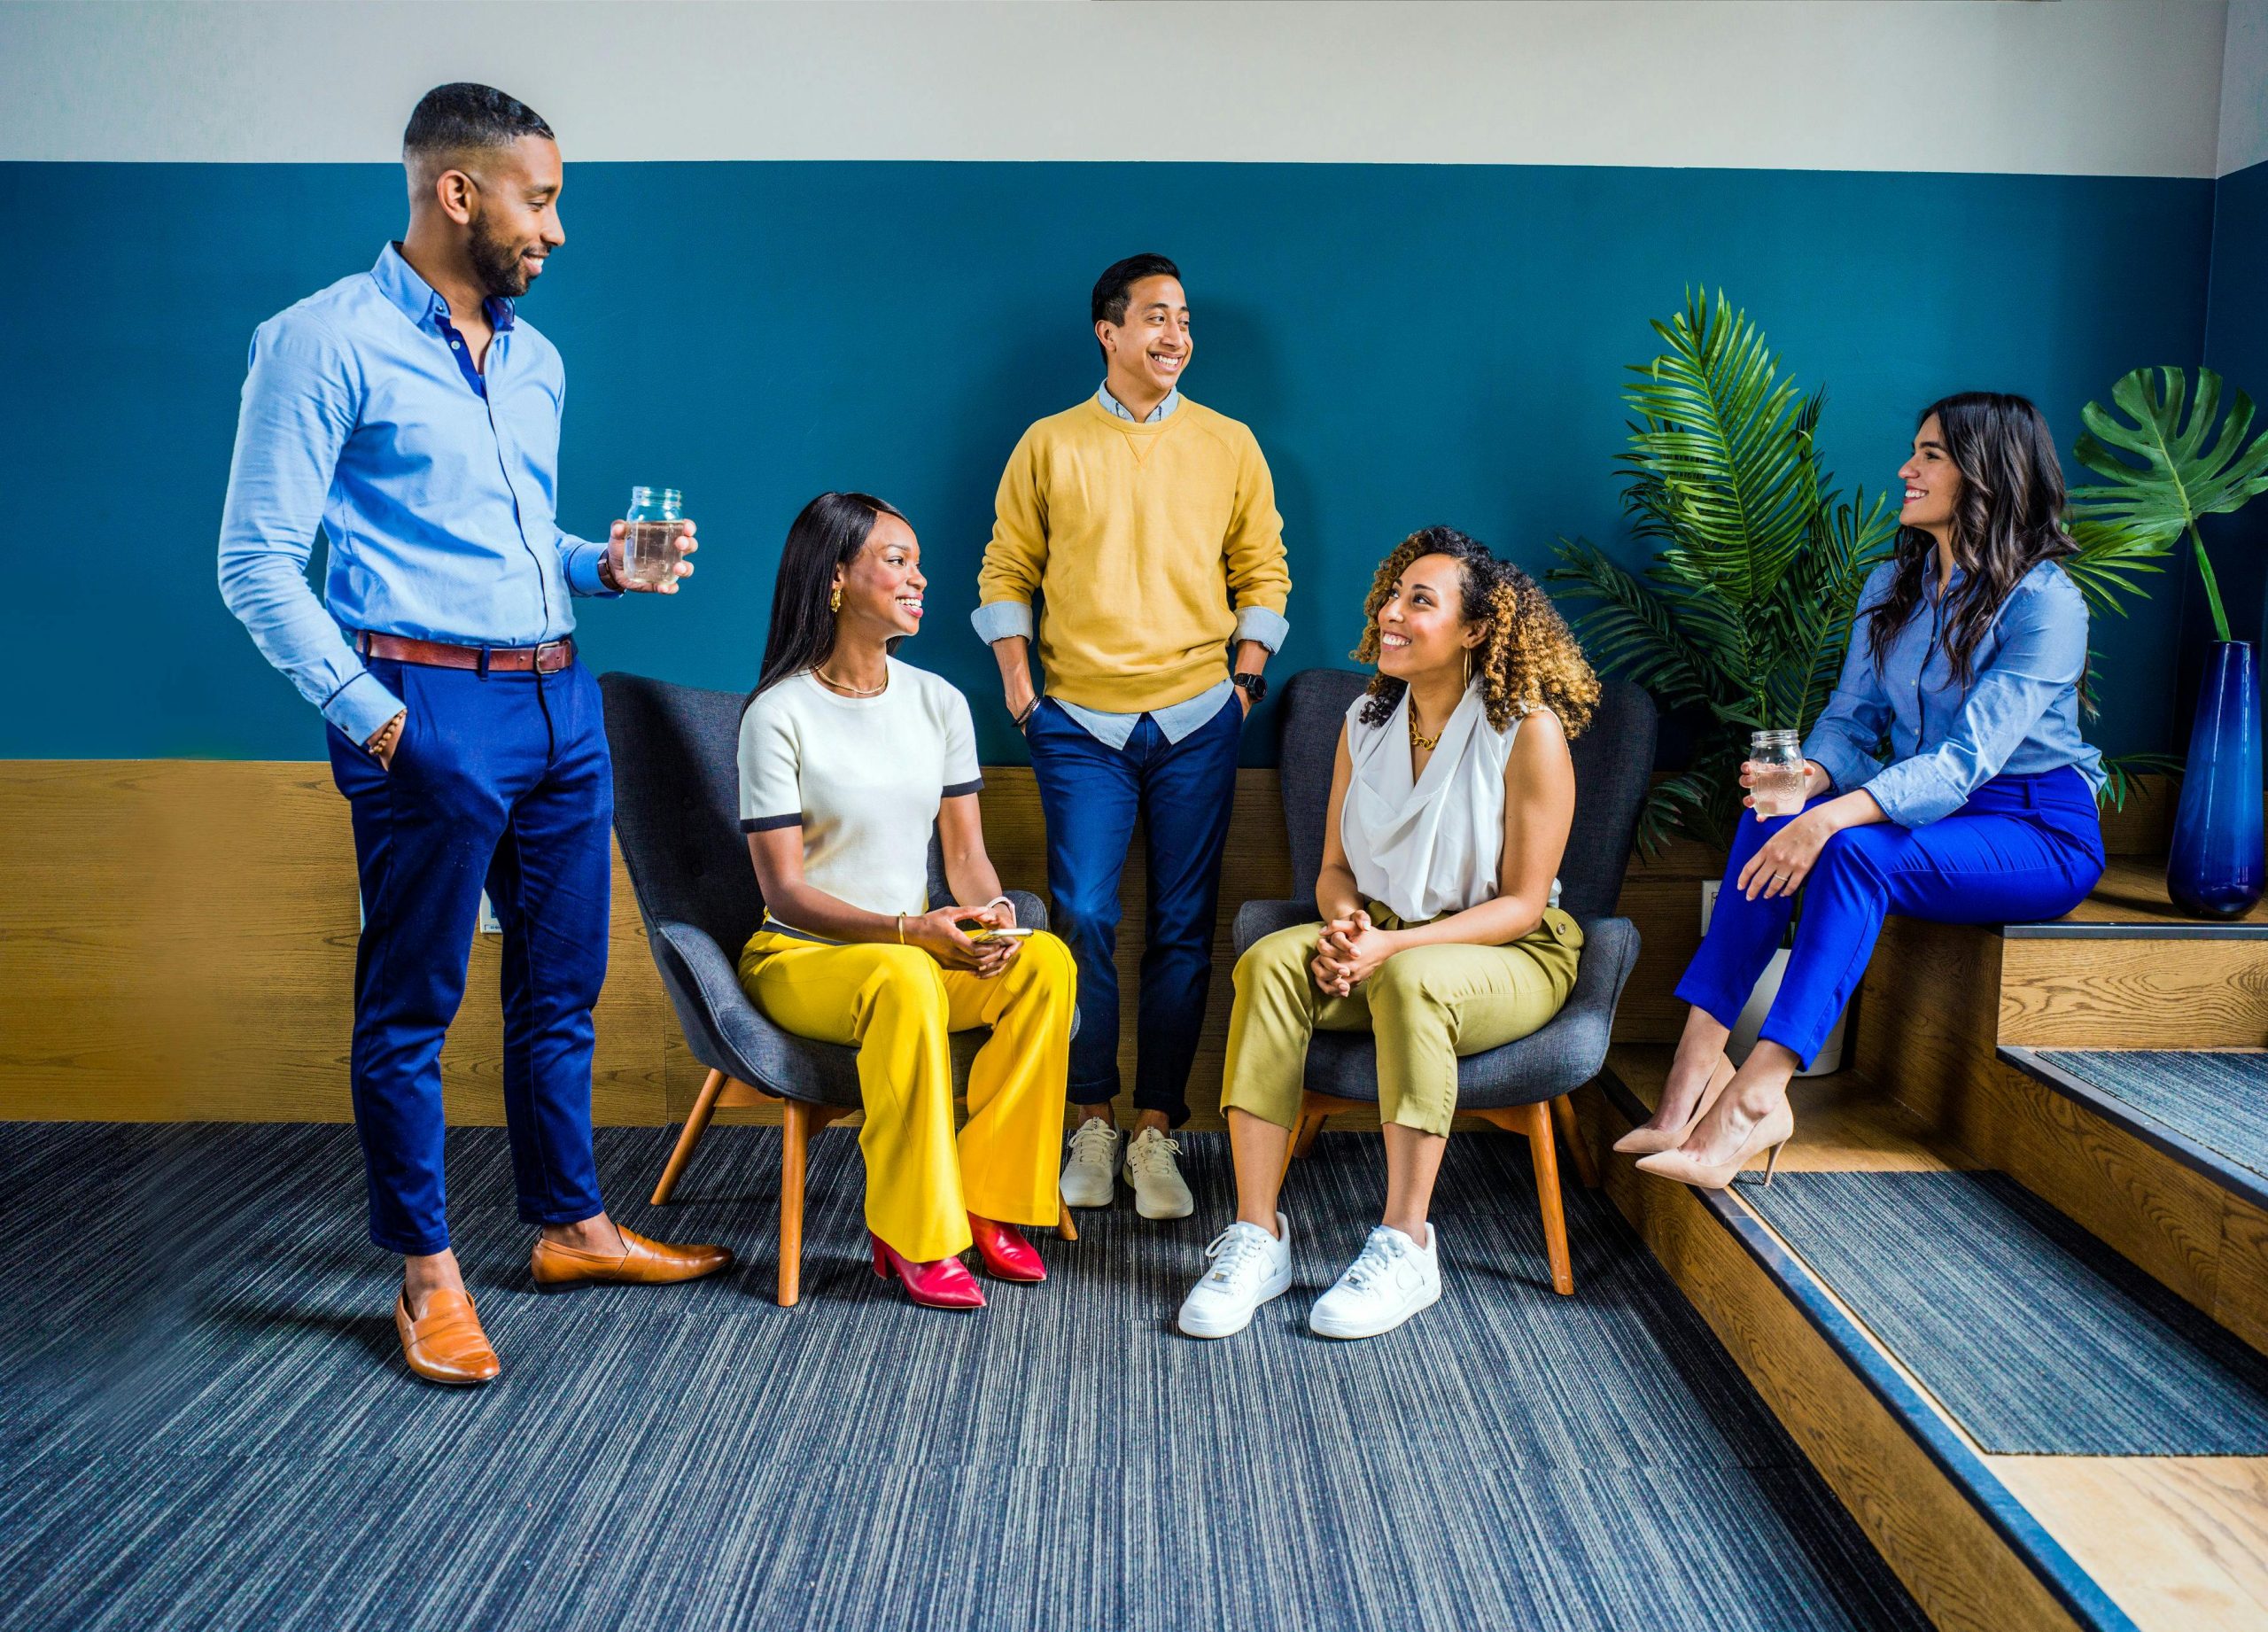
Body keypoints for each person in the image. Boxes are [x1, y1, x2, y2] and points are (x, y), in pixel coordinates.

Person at [216, 83, 731, 1387]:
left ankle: (571, 1225)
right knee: (412, 1005)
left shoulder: (537, 357)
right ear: (459, 192)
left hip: (563, 697)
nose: (555, 229)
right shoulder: (317, 342)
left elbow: (515, 544)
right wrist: (380, 722)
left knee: (559, 988)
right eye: (539, 198)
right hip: (427, 707)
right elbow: (257, 561)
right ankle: (427, 1273)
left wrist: (601, 563)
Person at [1623, 392, 2108, 1188]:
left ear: (1988, 473)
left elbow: (1965, 761)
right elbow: (1851, 720)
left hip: (2033, 827)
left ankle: (1759, 1097)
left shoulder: (2047, 603)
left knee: (1846, 850)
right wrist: (1807, 779)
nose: (1905, 470)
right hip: (1922, 812)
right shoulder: (1892, 584)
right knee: (1774, 811)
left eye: (1930, 456)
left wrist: (1832, 817)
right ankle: (1691, 1077)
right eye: (1914, 452)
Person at [1177, 528, 1597, 1341]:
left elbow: (1519, 902)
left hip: (1507, 950)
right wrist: (1344, 928)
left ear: (1478, 630)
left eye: (1419, 600)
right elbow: (1335, 868)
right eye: (1392, 594)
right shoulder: (1364, 719)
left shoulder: (1528, 730)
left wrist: (1388, 950)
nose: (1390, 612)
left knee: (1412, 980)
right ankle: (1258, 1236)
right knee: (1269, 962)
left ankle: (1406, 1245)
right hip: (1384, 938)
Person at [974, 253, 1292, 1223]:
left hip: (1200, 718)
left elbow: (1263, 568)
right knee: (1079, 917)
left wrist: (1243, 684)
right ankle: (1091, 1117)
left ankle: (1156, 1129)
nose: (1175, 336)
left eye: (1184, 319)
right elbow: (1004, 567)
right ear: (1107, 332)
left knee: (1185, 931)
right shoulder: (1048, 443)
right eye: (1155, 317)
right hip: (1077, 723)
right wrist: (1024, 693)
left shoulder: (1230, 442)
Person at [738, 493, 1078, 1310]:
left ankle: (986, 1201)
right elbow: (783, 889)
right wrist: (909, 933)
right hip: (803, 957)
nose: (919, 578)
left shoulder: (938, 702)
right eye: (896, 560)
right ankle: (912, 1231)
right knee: (905, 978)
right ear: (835, 577)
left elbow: (965, 858)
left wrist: (993, 916)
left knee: (1045, 960)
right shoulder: (776, 714)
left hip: (913, 951)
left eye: (916, 561)